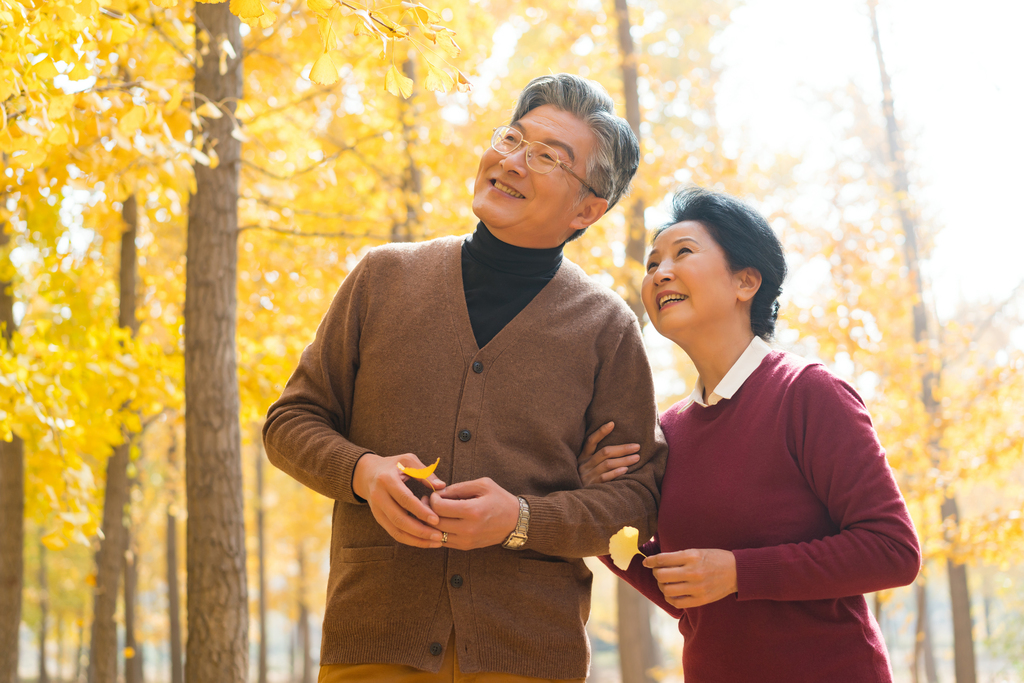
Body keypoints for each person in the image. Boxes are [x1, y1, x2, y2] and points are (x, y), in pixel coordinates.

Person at [263, 73, 668, 683]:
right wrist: (364, 474)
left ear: (588, 208)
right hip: (373, 642)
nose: (512, 163)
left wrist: (523, 520)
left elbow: (636, 499)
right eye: (512, 138)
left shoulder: (605, 327)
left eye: (548, 157)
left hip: (530, 654)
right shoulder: (382, 278)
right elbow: (289, 421)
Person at [579, 187, 921, 682]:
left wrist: (738, 572)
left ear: (745, 282)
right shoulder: (667, 431)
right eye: (652, 264)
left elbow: (893, 549)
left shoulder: (808, 393)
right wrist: (596, 505)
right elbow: (684, 593)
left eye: (683, 253)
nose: (659, 272)